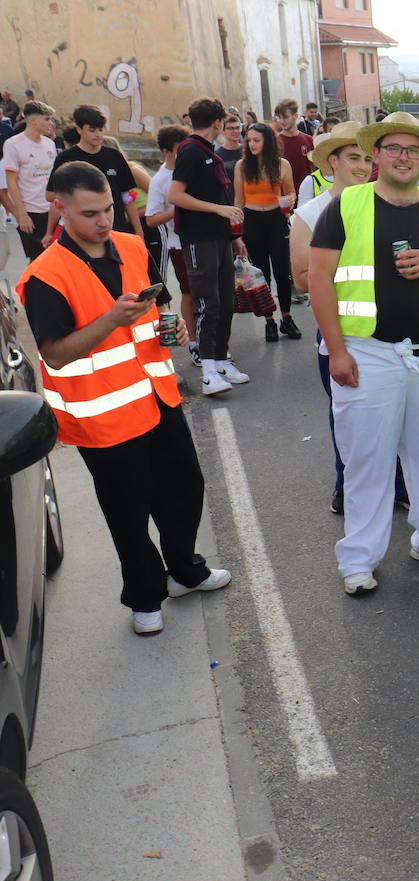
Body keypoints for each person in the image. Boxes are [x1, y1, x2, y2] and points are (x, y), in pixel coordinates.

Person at [16, 161, 230, 637]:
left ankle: (184, 571)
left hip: (157, 400)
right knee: (128, 513)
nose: (103, 220)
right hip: (104, 418)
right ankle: (144, 595)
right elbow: (54, 355)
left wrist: (167, 327)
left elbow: (158, 308)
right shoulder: (46, 275)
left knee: (183, 489)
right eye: (90, 213)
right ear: (60, 208)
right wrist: (112, 320)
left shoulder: (133, 247)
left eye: (109, 208)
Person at [310, 111, 419, 595]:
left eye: (412, 149)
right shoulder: (346, 206)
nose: (403, 157)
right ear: (377, 156)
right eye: (393, 149)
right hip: (368, 353)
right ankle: (359, 558)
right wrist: (336, 352)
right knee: (367, 460)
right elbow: (319, 279)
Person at [288, 121, 408, 518]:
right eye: (352, 157)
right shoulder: (310, 213)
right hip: (341, 335)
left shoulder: (387, 202)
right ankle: (347, 485)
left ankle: (398, 484)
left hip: (390, 333)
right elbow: (304, 279)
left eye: (364, 157)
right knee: (349, 418)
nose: (361, 166)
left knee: (397, 412)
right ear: (332, 163)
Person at [168, 96, 249, 397]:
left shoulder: (207, 151)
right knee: (207, 304)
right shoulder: (189, 151)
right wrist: (218, 210)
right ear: (217, 123)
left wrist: (233, 236)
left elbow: (221, 199)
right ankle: (209, 372)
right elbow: (176, 195)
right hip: (198, 239)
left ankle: (222, 359)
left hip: (219, 238)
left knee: (226, 302)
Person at [234, 123, 298, 342]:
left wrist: (290, 200)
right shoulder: (242, 166)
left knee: (282, 272)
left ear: (267, 141)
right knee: (261, 274)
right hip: (252, 221)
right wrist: (237, 234)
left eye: (256, 140)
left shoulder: (282, 164)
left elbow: (290, 192)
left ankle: (287, 318)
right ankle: (269, 320)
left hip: (277, 220)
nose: (251, 144)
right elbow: (239, 201)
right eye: (249, 140)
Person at [46, 105, 141, 237]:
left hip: (115, 229)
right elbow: (51, 195)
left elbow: (128, 198)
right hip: (80, 232)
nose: (98, 135)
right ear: (79, 129)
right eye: (92, 130)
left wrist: (138, 232)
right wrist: (49, 232)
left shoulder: (115, 156)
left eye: (101, 130)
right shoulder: (66, 158)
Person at [144, 125, 194, 357]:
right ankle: (193, 342)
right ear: (166, 151)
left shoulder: (191, 170)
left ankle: (210, 343)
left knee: (210, 295)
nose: (183, 154)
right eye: (178, 150)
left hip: (203, 239)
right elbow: (152, 219)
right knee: (189, 293)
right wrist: (179, 207)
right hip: (177, 243)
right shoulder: (160, 180)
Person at [2, 101, 56, 261]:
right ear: (32, 120)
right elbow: (10, 181)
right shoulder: (13, 144)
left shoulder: (50, 144)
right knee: (38, 259)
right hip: (31, 212)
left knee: (54, 256)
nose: (51, 123)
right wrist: (21, 214)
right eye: (47, 119)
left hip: (52, 210)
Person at [273, 98, 314, 203]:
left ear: (295, 116)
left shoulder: (309, 140)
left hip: (307, 196)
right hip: (284, 199)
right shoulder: (274, 142)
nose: (282, 121)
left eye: (285, 117)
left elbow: (314, 168)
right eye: (279, 117)